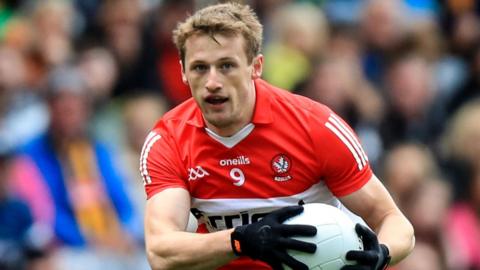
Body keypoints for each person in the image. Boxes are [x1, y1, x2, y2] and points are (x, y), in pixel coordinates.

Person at [142, 3, 414, 270]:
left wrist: (383, 253)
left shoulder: (316, 126)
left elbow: (394, 221)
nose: (212, 82)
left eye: (226, 66)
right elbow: (161, 251)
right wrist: (241, 241)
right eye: (200, 67)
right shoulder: (169, 140)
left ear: (256, 67)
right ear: (183, 72)